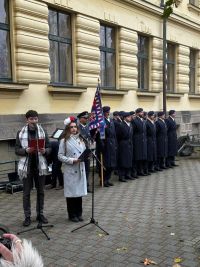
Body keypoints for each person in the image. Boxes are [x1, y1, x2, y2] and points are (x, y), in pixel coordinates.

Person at [15, 110, 51, 227]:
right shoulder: (20, 132)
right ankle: (27, 216)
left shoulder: (42, 131)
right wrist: (25, 151)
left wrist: (45, 151)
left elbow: (49, 147)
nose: (34, 121)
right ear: (27, 120)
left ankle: (40, 214)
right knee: (26, 193)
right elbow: (17, 150)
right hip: (26, 168)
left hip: (40, 166)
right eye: (31, 119)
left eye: (36, 119)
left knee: (41, 192)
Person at [58, 116, 87, 222]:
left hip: (80, 168)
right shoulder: (64, 141)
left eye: (75, 127)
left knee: (79, 193)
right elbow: (60, 156)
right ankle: (72, 214)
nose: (74, 129)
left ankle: (79, 213)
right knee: (71, 193)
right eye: (71, 127)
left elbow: (84, 151)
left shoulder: (81, 139)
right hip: (71, 169)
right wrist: (72, 160)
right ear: (67, 129)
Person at [96, 106, 117, 187]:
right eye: (106, 112)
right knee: (106, 164)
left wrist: (115, 144)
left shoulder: (111, 121)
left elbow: (114, 134)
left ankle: (108, 179)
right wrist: (102, 146)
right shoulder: (101, 122)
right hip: (105, 145)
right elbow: (100, 136)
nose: (108, 113)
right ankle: (103, 180)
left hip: (112, 144)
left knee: (111, 164)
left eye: (109, 111)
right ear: (103, 113)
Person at [77, 111, 92, 193]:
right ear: (80, 119)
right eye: (85, 118)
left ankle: (86, 185)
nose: (87, 119)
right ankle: (80, 186)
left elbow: (90, 138)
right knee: (80, 170)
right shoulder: (77, 127)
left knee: (87, 169)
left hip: (87, 151)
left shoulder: (88, 127)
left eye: (87, 118)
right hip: (80, 152)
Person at [116, 112, 134, 182]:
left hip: (130, 143)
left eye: (130, 117)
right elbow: (118, 136)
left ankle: (128, 174)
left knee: (129, 159)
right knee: (123, 160)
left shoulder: (131, 124)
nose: (130, 118)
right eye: (129, 117)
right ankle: (122, 176)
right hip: (123, 144)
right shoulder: (121, 125)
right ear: (125, 118)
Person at [131, 108, 148, 176]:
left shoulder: (143, 120)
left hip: (143, 141)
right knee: (137, 157)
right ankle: (135, 172)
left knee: (142, 157)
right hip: (137, 141)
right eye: (141, 112)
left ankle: (141, 171)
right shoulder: (134, 121)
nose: (142, 113)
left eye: (143, 112)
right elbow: (132, 132)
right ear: (137, 113)